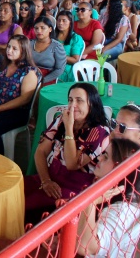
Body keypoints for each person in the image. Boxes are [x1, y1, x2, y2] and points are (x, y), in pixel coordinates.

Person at [24, 82, 110, 223]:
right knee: (13, 193)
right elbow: (40, 152)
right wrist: (46, 181)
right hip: (49, 178)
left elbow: (72, 164)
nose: (72, 105)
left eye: (79, 100)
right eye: (70, 100)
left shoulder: (99, 132)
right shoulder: (60, 120)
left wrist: (69, 129)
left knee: (24, 207)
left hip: (73, 188)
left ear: (92, 104)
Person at [75, 138, 140, 258]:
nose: (99, 158)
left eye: (105, 157)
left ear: (120, 169)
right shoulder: (128, 194)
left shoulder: (123, 211)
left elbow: (86, 247)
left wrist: (90, 201)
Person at [0, 35, 40, 154]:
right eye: (8, 47)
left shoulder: (29, 71)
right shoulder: (1, 65)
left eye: (14, 49)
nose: (9, 51)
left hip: (17, 111)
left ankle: (0, 166)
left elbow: (24, 99)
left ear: (23, 51)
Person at [30, 16, 66, 83]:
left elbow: (59, 69)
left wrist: (43, 80)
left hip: (47, 78)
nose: (39, 31)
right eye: (36, 28)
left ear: (50, 29)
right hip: (29, 75)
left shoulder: (57, 46)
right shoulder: (29, 44)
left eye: (43, 28)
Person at [55, 11, 85, 83]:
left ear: (70, 22)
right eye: (58, 20)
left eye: (64, 21)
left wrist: (58, 55)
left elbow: (75, 60)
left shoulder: (75, 38)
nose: (60, 23)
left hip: (65, 68)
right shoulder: (52, 35)